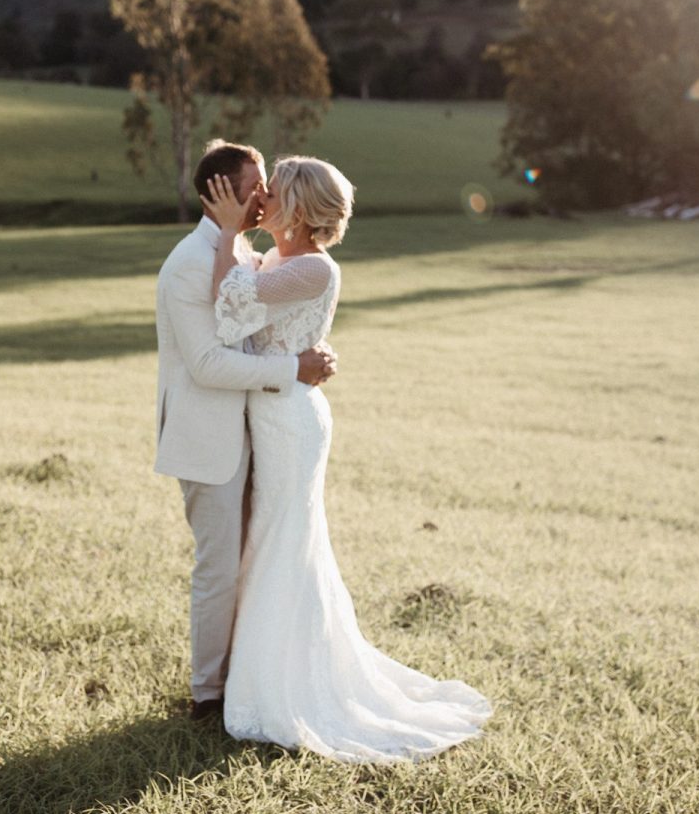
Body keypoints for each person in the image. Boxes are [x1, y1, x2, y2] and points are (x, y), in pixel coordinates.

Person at [199, 155, 492, 763]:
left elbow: (229, 318)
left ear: (299, 209)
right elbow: (251, 311)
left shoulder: (311, 269)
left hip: (291, 423)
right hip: (275, 411)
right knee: (274, 541)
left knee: (282, 543)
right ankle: (260, 672)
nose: (261, 198)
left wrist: (228, 233)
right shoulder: (280, 260)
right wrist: (244, 247)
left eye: (271, 191)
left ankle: (282, 687)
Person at [153, 140, 337, 722]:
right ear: (221, 193)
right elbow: (208, 364)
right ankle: (208, 695)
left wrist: (303, 357)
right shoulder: (190, 261)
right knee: (220, 568)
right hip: (211, 438)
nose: (262, 196)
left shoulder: (242, 254)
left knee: (264, 556)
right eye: (254, 186)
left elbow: (264, 312)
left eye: (268, 186)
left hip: (269, 432)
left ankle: (254, 678)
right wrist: (295, 368)